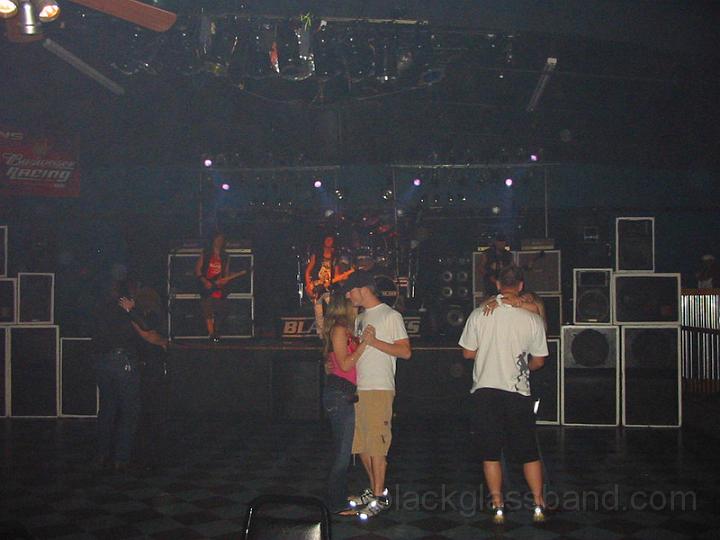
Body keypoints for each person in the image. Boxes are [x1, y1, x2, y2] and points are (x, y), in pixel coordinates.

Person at [459, 265, 549, 524]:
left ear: (498, 284)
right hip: (517, 392)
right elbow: (539, 360)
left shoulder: (480, 313)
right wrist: (522, 367)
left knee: (490, 452)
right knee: (528, 451)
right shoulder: (532, 318)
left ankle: (497, 504)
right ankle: (538, 502)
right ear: (520, 285)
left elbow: (467, 353)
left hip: (485, 391)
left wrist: (489, 352)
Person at [341, 270, 411, 519]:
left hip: (379, 387)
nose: (348, 296)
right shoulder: (360, 317)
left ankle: (380, 497)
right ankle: (374, 491)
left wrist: (373, 342)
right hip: (361, 388)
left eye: (351, 290)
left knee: (377, 445)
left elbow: (405, 352)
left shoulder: (391, 315)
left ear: (363, 289)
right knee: (361, 445)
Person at [93, 279, 168, 472]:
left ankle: (102, 455)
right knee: (129, 410)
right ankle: (121, 458)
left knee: (107, 408)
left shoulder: (101, 307)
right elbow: (146, 330)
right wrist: (132, 309)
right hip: (122, 362)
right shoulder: (124, 308)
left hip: (101, 362)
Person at [319, 293, 368, 514]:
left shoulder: (346, 329)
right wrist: (363, 345)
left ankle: (337, 495)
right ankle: (336, 503)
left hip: (342, 393)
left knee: (343, 451)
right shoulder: (339, 329)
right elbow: (346, 365)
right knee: (342, 453)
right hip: (339, 394)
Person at [195, 233, 247, 342]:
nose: (219, 241)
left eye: (221, 240)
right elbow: (198, 270)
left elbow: (226, 273)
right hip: (207, 286)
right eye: (217, 239)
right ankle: (212, 334)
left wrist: (226, 280)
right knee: (207, 310)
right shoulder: (206, 253)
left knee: (223, 309)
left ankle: (216, 330)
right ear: (213, 240)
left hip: (219, 287)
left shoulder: (225, 256)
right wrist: (205, 281)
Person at [478, 232, 514, 297]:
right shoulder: (487, 253)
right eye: (500, 242)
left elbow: (512, 267)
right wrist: (489, 275)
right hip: (490, 284)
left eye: (503, 242)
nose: (501, 244)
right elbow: (480, 267)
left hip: (503, 283)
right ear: (495, 242)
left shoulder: (508, 254)